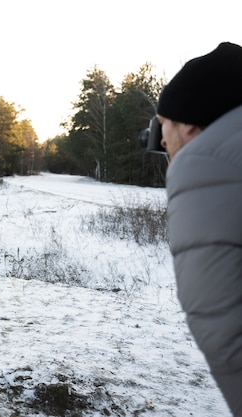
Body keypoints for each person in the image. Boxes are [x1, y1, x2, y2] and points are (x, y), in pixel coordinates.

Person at [155, 41, 242, 416]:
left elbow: (227, 333)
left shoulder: (206, 168)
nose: (160, 140)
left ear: (189, 124)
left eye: (163, 125)